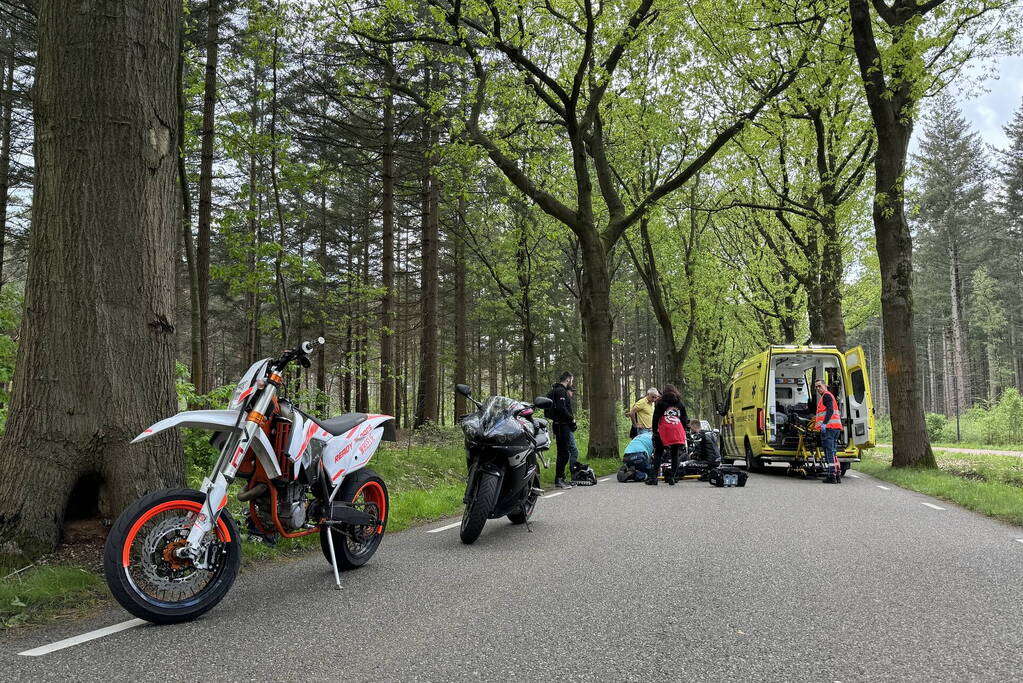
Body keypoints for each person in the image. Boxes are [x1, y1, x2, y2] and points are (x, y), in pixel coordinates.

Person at [647, 384, 688, 486]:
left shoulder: (660, 403)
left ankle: (654, 478)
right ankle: (672, 478)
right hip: (676, 429)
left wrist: (655, 432)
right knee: (675, 454)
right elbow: (684, 419)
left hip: (664, 430)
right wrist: (683, 431)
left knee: (658, 453)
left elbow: (655, 418)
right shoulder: (680, 403)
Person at [547, 371, 576, 488]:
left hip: (562, 425)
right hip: (561, 425)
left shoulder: (559, 390)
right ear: (568, 379)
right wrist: (571, 419)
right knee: (563, 452)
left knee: (564, 452)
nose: (572, 382)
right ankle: (559, 479)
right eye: (571, 380)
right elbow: (561, 408)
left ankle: (561, 478)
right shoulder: (560, 391)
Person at [814, 378, 843, 484]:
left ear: (825, 386)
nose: (818, 388)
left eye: (819, 386)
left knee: (829, 453)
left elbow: (830, 410)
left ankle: (832, 476)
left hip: (829, 428)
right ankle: (837, 474)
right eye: (816, 387)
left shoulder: (826, 396)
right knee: (833, 452)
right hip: (835, 428)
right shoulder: (829, 396)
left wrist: (824, 423)